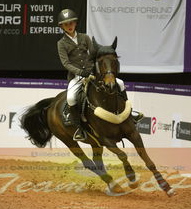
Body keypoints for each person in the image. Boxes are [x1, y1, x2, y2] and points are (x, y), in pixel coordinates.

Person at [56, 8, 142, 141]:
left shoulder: (85, 37)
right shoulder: (61, 44)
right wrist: (80, 72)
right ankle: (79, 128)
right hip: (77, 76)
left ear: (75, 23)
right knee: (71, 97)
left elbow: (94, 54)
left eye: (71, 23)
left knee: (120, 83)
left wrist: (100, 59)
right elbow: (65, 63)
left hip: (92, 72)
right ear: (62, 26)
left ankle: (130, 114)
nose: (69, 26)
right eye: (66, 24)